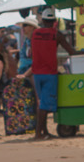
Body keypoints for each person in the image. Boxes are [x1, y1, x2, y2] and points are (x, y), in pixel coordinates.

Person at [27, 9, 66, 140]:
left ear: (43, 21)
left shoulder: (35, 33)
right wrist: (82, 54)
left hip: (37, 73)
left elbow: (31, 53)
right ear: (54, 21)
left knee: (41, 103)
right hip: (50, 73)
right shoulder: (57, 34)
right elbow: (70, 50)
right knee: (44, 106)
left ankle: (45, 132)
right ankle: (38, 133)